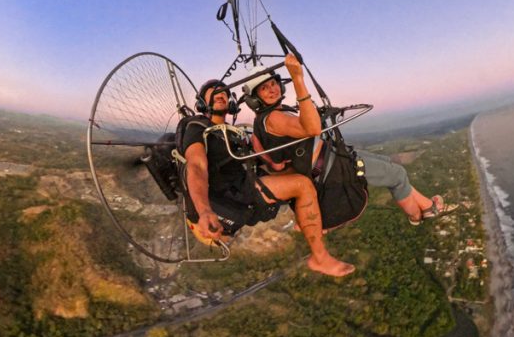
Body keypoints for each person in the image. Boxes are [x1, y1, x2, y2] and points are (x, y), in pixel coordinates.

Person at [245, 55, 457, 225]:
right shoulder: (274, 118)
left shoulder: (267, 120)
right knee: (397, 174)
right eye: (264, 88)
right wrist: (299, 79)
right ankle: (417, 215)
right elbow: (311, 128)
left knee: (387, 163)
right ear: (255, 98)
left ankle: (428, 206)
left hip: (334, 157)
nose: (272, 89)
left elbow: (281, 155)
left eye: (273, 83)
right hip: (332, 169)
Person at [182, 79, 356, 277]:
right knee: (303, 185)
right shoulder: (196, 128)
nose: (220, 93)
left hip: (244, 181)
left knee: (300, 171)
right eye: (213, 91)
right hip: (230, 193)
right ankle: (320, 258)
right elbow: (196, 166)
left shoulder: (231, 134)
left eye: (224, 91)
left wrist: (272, 163)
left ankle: (307, 220)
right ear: (202, 103)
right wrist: (204, 211)